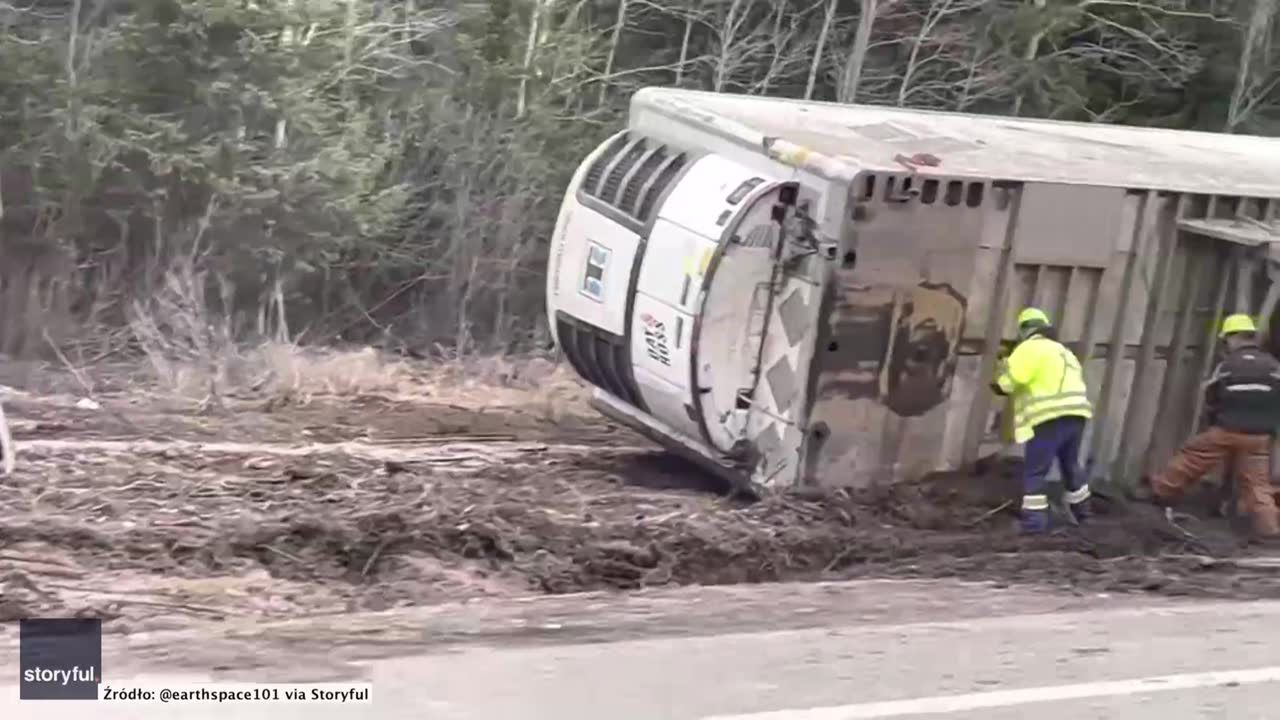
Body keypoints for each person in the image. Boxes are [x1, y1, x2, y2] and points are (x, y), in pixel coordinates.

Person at [1141, 314, 1280, 539]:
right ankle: (1269, 529)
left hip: (1227, 429)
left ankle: (1161, 492)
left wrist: (1215, 416)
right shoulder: (1273, 365)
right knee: (1257, 484)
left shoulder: (1227, 366)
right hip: (1259, 436)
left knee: (1192, 457)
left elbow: (1211, 394)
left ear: (1233, 338)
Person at [991, 308, 1094, 534]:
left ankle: (1034, 525)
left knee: (1035, 471)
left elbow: (1008, 384)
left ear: (1023, 330)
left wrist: (1002, 367)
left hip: (1049, 417)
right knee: (1070, 465)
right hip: (1077, 415)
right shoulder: (1063, 351)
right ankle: (1085, 517)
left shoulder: (1028, 349)